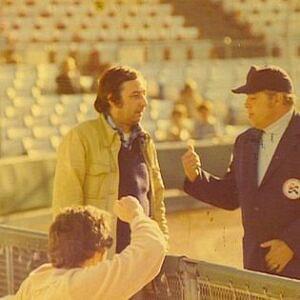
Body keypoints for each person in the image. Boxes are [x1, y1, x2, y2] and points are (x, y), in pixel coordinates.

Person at [181, 65, 300, 279]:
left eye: (253, 98)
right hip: (256, 266)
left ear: (278, 99)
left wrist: (292, 243)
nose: (246, 104)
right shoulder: (245, 142)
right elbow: (232, 195)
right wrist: (196, 177)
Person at [53, 65, 168, 256]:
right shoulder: (80, 138)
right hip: (103, 265)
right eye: (135, 95)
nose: (144, 102)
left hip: (143, 262)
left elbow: (157, 204)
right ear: (112, 99)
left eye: (144, 94)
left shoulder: (146, 141)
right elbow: (66, 212)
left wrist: (161, 247)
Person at [14, 196, 167, 299]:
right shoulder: (83, 284)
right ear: (97, 252)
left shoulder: (37, 280)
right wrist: (136, 215)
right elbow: (153, 248)